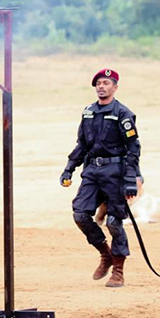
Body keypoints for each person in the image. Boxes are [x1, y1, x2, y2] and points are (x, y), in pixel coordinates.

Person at [60, 68, 140, 288]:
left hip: (116, 173)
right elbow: (82, 144)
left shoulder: (123, 113)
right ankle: (105, 254)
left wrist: (131, 179)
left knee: (114, 222)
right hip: (92, 171)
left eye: (106, 83)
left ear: (115, 87)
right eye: (98, 83)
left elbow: (133, 147)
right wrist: (69, 168)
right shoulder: (88, 112)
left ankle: (118, 271)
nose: (101, 86)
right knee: (80, 215)